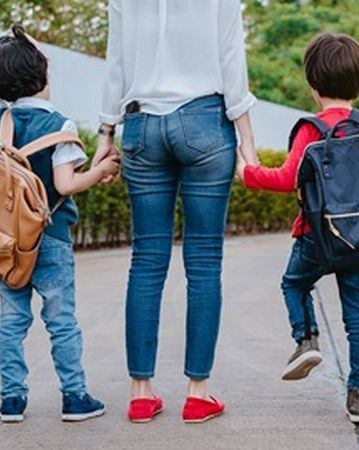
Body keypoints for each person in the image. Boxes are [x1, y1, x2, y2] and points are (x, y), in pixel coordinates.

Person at [94, 0, 258, 423]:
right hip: (205, 120)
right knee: (204, 262)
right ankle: (197, 393)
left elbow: (116, 61)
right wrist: (248, 144)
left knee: (146, 261)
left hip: (142, 126)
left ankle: (140, 393)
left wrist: (105, 134)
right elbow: (231, 58)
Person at [235, 32, 359, 424]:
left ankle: (306, 339)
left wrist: (247, 172)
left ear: (314, 87)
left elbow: (287, 178)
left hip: (316, 234)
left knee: (295, 283)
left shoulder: (310, 129)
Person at [0, 25, 118, 423]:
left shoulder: (1, 118)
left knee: (11, 320)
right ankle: (74, 397)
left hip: (8, 243)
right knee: (61, 321)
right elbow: (65, 184)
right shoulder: (61, 125)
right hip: (51, 239)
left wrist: (15, 51)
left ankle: (11, 400)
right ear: (44, 77)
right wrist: (102, 168)